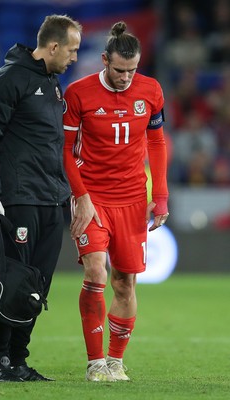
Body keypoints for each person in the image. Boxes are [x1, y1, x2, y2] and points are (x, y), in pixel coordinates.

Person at [0, 14, 82, 382]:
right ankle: (0, 361)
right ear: (53, 46)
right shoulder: (9, 79)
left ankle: (19, 359)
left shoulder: (51, 83)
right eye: (72, 50)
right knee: (13, 281)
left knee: (37, 287)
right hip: (18, 199)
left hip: (51, 200)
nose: (74, 58)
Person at [63, 21, 169, 382]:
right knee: (95, 271)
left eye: (133, 69)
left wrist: (162, 196)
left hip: (133, 200)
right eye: (120, 70)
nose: (126, 77)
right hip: (92, 197)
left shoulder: (151, 91)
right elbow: (65, 150)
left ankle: (115, 361)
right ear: (105, 60)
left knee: (124, 284)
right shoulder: (78, 93)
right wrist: (81, 196)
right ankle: (95, 363)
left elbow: (156, 143)